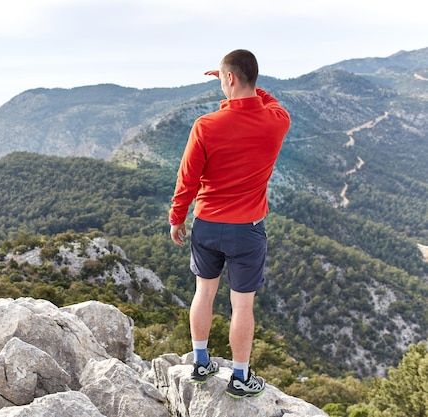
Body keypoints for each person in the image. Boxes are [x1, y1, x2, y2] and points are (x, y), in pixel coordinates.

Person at [168, 49, 290, 398]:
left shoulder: (205, 126)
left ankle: (202, 362)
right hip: (247, 230)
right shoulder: (277, 121)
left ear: (230, 79)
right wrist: (246, 84)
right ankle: (240, 376)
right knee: (242, 305)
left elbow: (187, 179)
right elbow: (269, 100)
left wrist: (177, 217)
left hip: (206, 224)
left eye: (224, 79)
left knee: (203, 293)